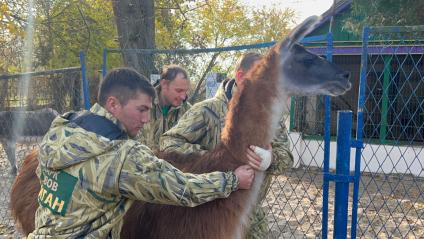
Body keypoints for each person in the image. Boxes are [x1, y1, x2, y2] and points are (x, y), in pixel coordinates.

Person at [28, 67, 265, 238]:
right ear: (113, 104)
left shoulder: (63, 126)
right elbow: (183, 189)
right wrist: (233, 179)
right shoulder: (122, 157)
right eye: (141, 110)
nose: (146, 119)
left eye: (149, 111)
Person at [160, 52, 294, 239]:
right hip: (209, 214)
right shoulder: (206, 111)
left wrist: (271, 159)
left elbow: (287, 157)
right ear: (240, 77)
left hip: (251, 216)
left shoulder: (268, 115)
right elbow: (169, 143)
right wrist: (214, 161)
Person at [138, 64, 191, 151]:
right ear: (164, 84)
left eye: (185, 91)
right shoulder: (142, 105)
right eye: (179, 90)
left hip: (173, 163)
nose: (183, 97)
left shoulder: (188, 111)